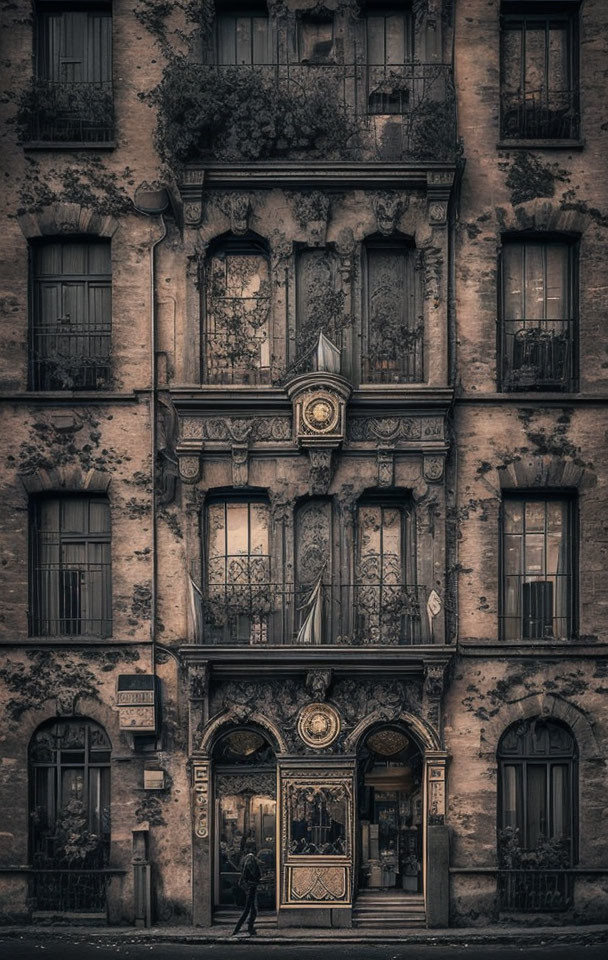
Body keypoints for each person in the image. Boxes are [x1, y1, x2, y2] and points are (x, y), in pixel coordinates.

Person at [232, 839, 262, 937]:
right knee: (248, 909)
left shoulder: (245, 858)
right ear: (253, 849)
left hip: (248, 885)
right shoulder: (251, 859)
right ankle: (237, 929)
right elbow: (254, 873)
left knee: (252, 909)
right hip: (251, 885)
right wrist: (259, 877)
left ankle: (250, 929)